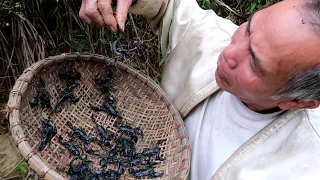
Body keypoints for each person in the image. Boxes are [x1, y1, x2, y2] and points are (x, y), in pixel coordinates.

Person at [79, 0, 320, 179]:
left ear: (298, 101)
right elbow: (169, 6)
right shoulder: (212, 40)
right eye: (248, 28)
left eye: (255, 63)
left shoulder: (302, 167)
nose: (228, 52)